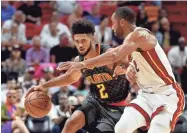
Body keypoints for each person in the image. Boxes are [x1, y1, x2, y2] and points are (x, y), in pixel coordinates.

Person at [58, 7, 185, 133]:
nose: (112, 27)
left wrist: (82, 64)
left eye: (113, 23)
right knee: (120, 128)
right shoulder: (129, 46)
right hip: (145, 96)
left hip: (167, 94)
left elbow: (114, 56)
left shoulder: (141, 34)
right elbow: (134, 64)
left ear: (122, 22)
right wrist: (128, 69)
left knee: (157, 129)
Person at [27, 19, 131, 133]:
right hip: (94, 101)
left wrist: (127, 70)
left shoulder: (110, 53)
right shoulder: (79, 60)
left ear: (93, 38)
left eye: (83, 40)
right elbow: (70, 78)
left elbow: (132, 64)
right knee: (71, 122)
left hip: (115, 106)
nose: (80, 45)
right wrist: (44, 86)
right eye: (77, 41)